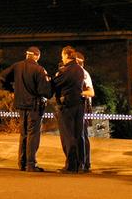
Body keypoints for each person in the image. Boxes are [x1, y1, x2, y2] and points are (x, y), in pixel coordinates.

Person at [0, 46, 53, 172]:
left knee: (23, 134)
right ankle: (30, 164)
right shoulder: (39, 69)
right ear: (37, 56)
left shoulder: (17, 66)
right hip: (34, 106)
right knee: (33, 135)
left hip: (21, 106)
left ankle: (22, 163)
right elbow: (45, 91)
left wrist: (11, 90)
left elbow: (2, 77)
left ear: (26, 55)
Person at [52, 46, 85, 174]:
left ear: (66, 55)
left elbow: (55, 84)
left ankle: (70, 166)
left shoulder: (66, 71)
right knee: (77, 135)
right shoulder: (80, 70)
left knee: (68, 136)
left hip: (67, 107)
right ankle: (79, 164)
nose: (62, 58)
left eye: (62, 55)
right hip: (78, 106)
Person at [76, 51, 95, 173]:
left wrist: (78, 94)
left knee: (83, 135)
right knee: (79, 135)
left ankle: (85, 163)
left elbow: (90, 92)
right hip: (80, 106)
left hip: (84, 106)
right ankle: (81, 162)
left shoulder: (83, 74)